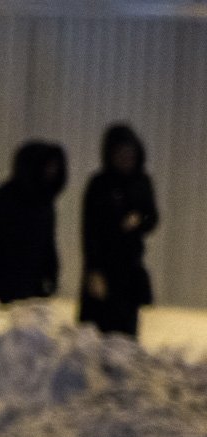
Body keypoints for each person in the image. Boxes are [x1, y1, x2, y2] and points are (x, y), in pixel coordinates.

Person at [79, 123, 159, 337]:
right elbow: (89, 230)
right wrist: (94, 270)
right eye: (120, 153)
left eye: (130, 153)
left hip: (129, 269)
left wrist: (138, 220)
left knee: (126, 331)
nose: (126, 158)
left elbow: (152, 218)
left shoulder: (141, 183)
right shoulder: (99, 184)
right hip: (103, 266)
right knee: (98, 330)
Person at [0, 140, 67, 303]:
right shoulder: (6, 196)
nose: (52, 171)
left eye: (55, 167)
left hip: (32, 284)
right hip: (0, 283)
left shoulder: (45, 201)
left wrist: (51, 274)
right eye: (48, 166)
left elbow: (47, 242)